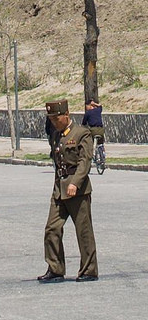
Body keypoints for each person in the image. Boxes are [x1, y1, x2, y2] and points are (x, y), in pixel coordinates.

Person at [39, 100, 98, 283]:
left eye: (57, 119)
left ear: (66, 114)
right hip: (59, 189)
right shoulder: (56, 135)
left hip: (77, 190)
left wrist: (75, 183)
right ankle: (55, 269)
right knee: (52, 228)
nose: (54, 123)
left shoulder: (81, 133)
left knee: (83, 231)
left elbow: (85, 161)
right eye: (51, 120)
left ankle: (89, 270)